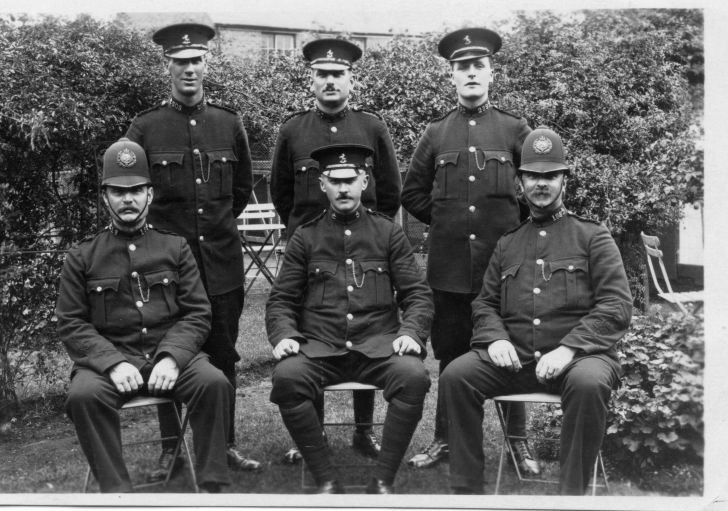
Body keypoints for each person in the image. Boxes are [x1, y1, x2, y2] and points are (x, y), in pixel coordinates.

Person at [439, 126, 633, 494]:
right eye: (532, 175)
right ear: (520, 181)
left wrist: (569, 348)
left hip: (580, 359)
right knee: (455, 375)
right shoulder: (508, 243)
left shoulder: (593, 236)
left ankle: (570, 495)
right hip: (518, 361)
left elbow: (617, 305)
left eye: (550, 176)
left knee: (589, 383)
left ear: (564, 181)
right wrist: (494, 338)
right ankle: (467, 493)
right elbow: (484, 302)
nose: (540, 184)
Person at [124, 19, 261, 476]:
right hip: (166, 269)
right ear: (168, 66)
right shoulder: (145, 128)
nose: (189, 69)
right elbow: (135, 193)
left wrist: (218, 228)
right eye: (180, 62)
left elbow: (240, 190)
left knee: (223, 356)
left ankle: (223, 446)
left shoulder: (228, 122)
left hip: (221, 264)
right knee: (166, 353)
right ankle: (171, 448)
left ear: (207, 63)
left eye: (196, 61)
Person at [57, 138, 233, 493]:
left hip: (168, 356)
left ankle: (214, 487)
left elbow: (198, 312)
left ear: (150, 195)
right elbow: (71, 323)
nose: (128, 199)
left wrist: (172, 358)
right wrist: (111, 363)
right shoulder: (82, 256)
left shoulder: (175, 247)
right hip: (113, 360)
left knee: (214, 383)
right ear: (104, 196)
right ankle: (117, 491)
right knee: (83, 397)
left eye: (137, 190)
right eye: (118, 192)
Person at [400, 27, 536, 473]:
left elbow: (535, 191)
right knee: (452, 356)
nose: (471, 73)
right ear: (452, 76)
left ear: (491, 73)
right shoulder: (437, 133)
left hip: (506, 272)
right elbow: (412, 192)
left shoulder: (515, 129)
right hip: (451, 271)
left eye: (478, 66)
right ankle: (446, 440)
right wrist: (447, 222)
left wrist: (514, 235)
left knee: (513, 351)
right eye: (462, 67)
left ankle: (519, 442)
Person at [266, 143, 433, 494]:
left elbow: (417, 294)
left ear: (364, 181)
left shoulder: (388, 232)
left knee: (413, 376)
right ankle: (326, 479)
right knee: (287, 378)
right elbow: (281, 298)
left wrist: (412, 333)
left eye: (350, 180)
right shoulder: (306, 236)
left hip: (378, 347)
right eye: (334, 181)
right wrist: (284, 335)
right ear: (322, 185)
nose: (343, 188)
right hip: (321, 349)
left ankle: (383, 480)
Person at [270, 37, 402, 463]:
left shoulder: (372, 127)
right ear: (312, 79)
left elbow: (391, 189)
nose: (330, 81)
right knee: (316, 329)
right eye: (322, 74)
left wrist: (373, 237)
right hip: (310, 249)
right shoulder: (293, 130)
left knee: (367, 322)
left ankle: (364, 432)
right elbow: (281, 193)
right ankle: (312, 434)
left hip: (367, 245)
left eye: (337, 74)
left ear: (351, 78)